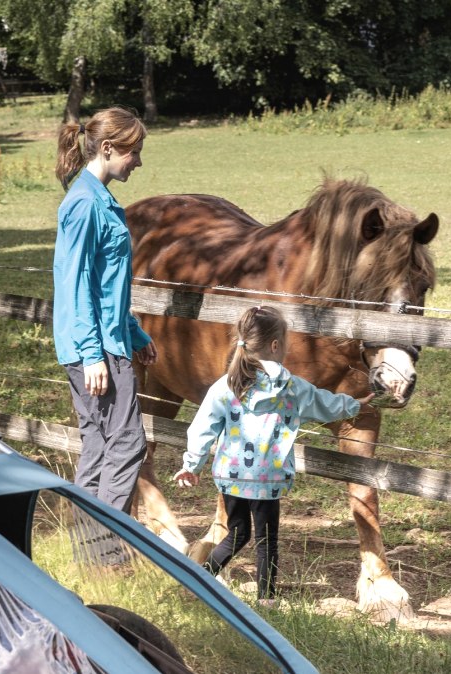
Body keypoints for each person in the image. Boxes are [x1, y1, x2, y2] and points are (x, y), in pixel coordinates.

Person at [173, 306, 369, 601]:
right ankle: (267, 598)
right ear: (276, 345)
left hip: (232, 475)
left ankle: (198, 581)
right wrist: (356, 404)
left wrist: (192, 464)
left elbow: (202, 428)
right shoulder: (291, 387)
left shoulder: (226, 385)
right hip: (268, 477)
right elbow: (324, 404)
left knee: (237, 535)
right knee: (267, 541)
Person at [52, 107, 157, 515]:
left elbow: (105, 285)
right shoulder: (84, 205)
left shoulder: (98, 200)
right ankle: (106, 548)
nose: (139, 161)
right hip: (94, 349)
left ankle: (91, 549)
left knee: (99, 442)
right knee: (128, 442)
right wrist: (94, 355)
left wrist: (135, 333)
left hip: (106, 340)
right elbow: (75, 286)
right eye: (135, 151)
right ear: (109, 148)